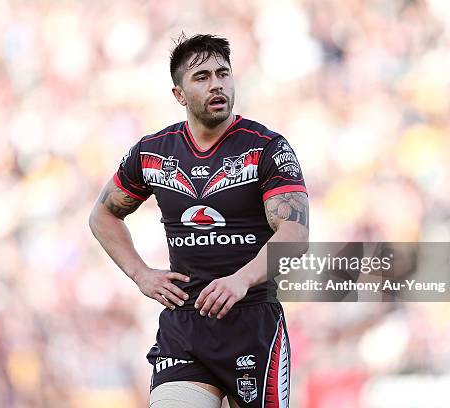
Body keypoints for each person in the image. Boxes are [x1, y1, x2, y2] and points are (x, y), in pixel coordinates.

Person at [89, 33, 308, 408]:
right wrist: (141, 273)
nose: (217, 84)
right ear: (179, 94)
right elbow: (103, 215)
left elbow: (295, 234)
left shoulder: (267, 147)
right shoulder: (152, 153)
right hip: (185, 325)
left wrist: (241, 280)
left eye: (224, 74)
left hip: (253, 324)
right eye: (202, 77)